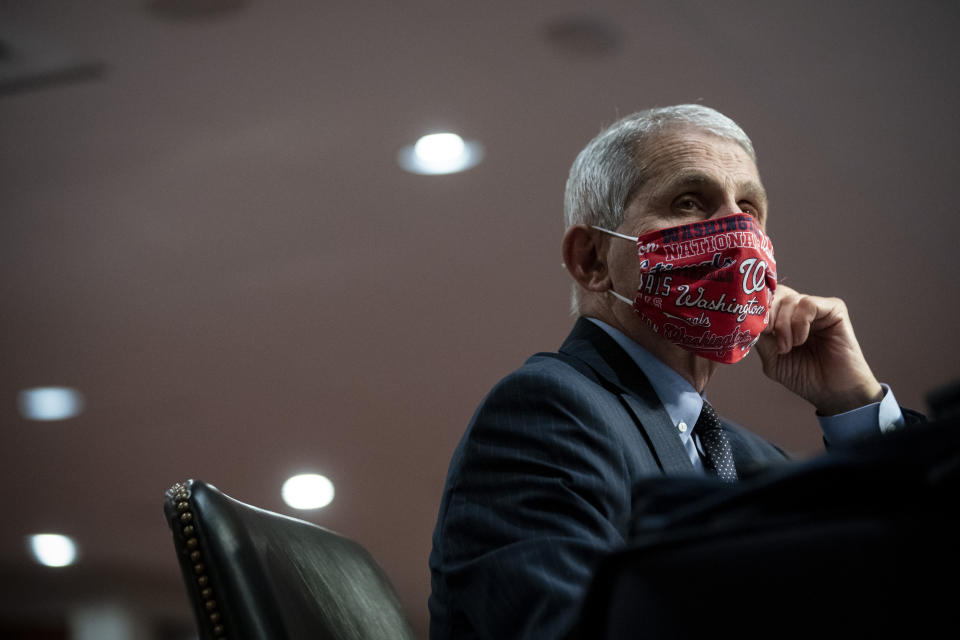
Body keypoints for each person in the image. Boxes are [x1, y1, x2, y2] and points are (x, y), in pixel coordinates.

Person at [427, 105, 924, 640]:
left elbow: (908, 593)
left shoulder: (758, 462)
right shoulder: (547, 410)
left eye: (749, 210)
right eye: (689, 202)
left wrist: (856, 408)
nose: (736, 231)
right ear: (592, 259)